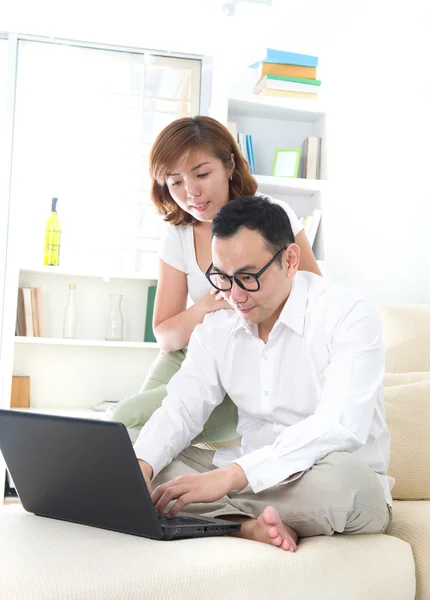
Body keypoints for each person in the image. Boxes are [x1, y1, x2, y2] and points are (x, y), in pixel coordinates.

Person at [134, 195, 392, 552]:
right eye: (222, 278)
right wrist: (141, 467)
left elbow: (341, 424)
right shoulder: (218, 323)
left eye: (248, 277)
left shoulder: (349, 314)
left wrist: (230, 477)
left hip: (323, 476)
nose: (235, 295)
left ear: (289, 260)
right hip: (249, 477)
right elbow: (182, 407)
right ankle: (245, 526)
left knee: (345, 483)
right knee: (142, 458)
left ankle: (213, 518)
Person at [109, 116, 321, 442]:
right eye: (175, 181)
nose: (191, 192)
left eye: (202, 174)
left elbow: (315, 298)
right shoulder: (178, 234)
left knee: (128, 419)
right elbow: (166, 336)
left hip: (246, 356)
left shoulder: (270, 215)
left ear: (229, 165)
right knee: (127, 431)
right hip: (190, 349)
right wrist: (206, 306)